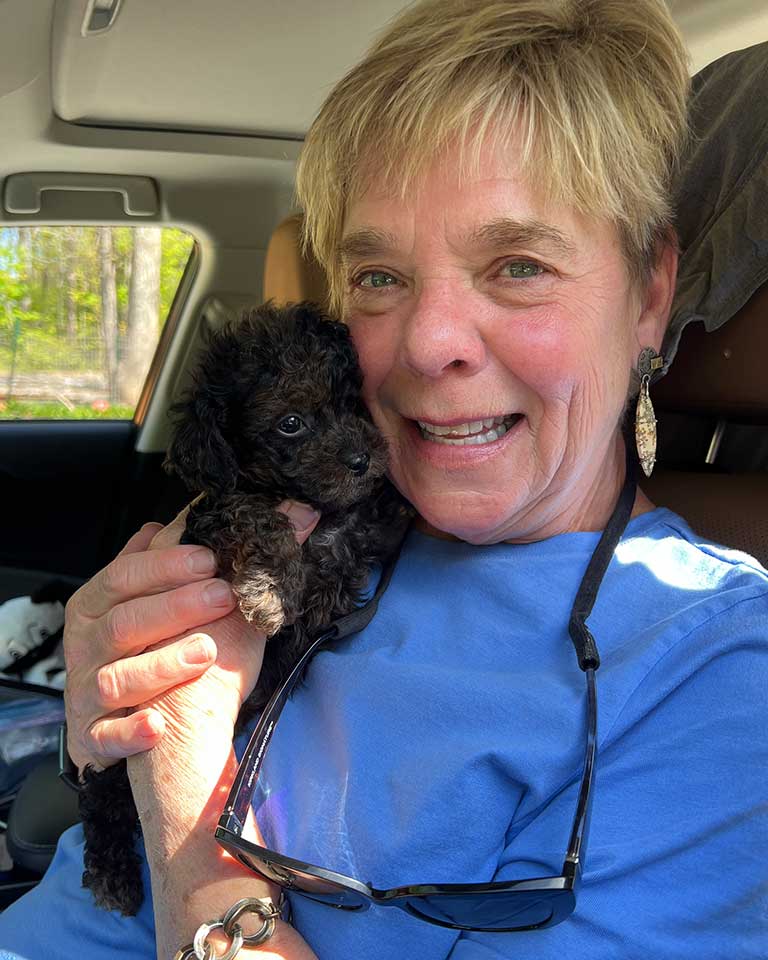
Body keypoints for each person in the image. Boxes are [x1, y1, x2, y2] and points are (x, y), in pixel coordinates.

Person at [2, 2, 767, 958]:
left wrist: (187, 808)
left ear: (650, 297)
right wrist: (102, 718)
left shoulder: (718, 675)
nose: (429, 342)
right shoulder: (311, 520)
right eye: (378, 276)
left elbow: (177, 804)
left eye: (519, 264)